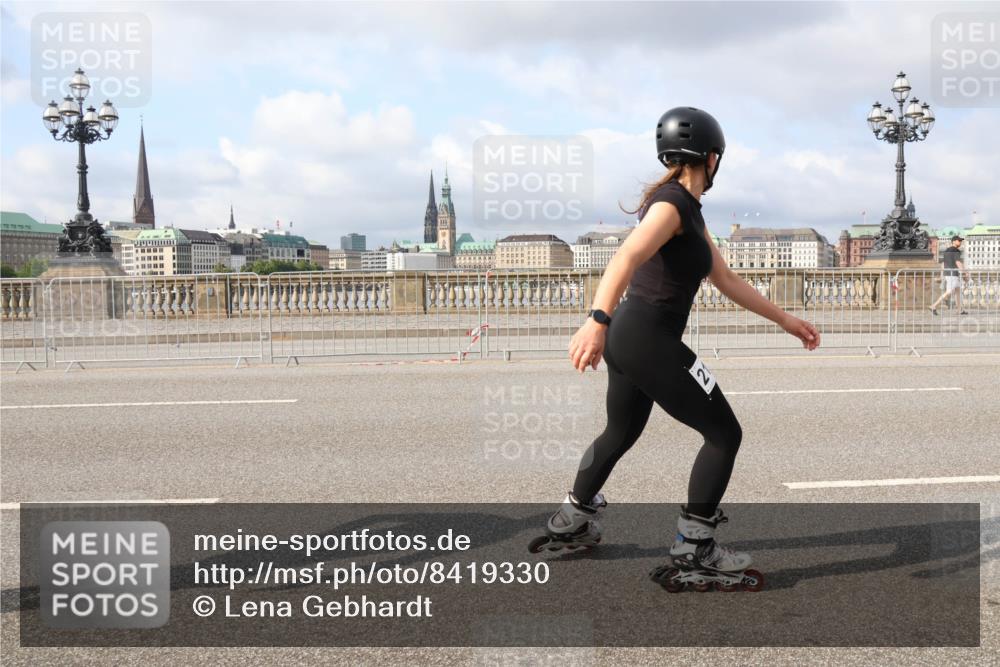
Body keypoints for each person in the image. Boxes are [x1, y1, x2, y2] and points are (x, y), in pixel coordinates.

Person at [533, 107, 821, 591]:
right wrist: (595, 321)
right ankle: (695, 547)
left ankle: (572, 519)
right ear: (711, 158)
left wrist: (787, 321)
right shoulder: (671, 205)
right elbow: (625, 255)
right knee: (724, 434)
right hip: (644, 336)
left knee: (619, 432)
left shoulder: (688, 209)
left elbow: (725, 279)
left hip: (632, 335)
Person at [930, 236, 968, 316]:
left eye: (961, 241)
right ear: (953, 241)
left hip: (949, 273)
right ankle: (934, 306)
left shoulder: (947, 250)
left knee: (958, 291)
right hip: (953, 274)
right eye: (959, 241)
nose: (960, 242)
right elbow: (958, 262)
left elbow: (943, 264)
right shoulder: (955, 250)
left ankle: (959, 310)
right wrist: (965, 273)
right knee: (949, 291)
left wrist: (942, 274)